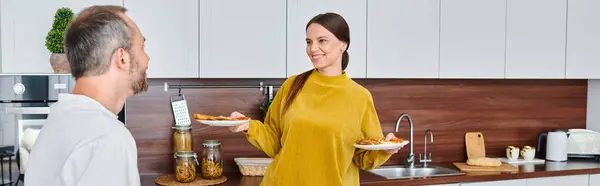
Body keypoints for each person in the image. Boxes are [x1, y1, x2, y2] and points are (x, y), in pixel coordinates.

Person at [229, 12, 404, 186]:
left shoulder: (359, 96)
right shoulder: (292, 85)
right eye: (309, 42)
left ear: (343, 44)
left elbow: (364, 158)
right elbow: (275, 143)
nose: (313, 49)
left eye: (322, 40)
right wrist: (248, 126)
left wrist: (385, 149)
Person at [25, 5, 149, 186]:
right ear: (122, 57)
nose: (147, 58)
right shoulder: (106, 139)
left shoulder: (59, 122)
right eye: (142, 46)